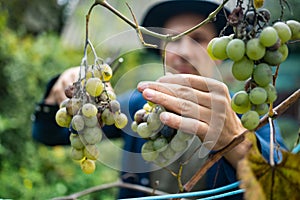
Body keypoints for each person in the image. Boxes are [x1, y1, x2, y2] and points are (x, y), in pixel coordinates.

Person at [32, 0, 287, 199]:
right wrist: (60, 90)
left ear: (220, 51)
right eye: (173, 40)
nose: (184, 52)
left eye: (198, 40)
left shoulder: (248, 112)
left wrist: (239, 144)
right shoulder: (138, 104)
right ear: (162, 51)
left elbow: (286, 189)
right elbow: (49, 134)